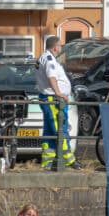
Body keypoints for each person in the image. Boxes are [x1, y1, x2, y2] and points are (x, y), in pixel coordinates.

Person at [36, 35, 79, 170]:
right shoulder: (49, 60)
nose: (61, 47)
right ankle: (69, 160)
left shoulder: (45, 57)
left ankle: (47, 161)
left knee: (49, 130)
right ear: (55, 47)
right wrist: (58, 93)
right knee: (60, 129)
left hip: (49, 97)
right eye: (60, 45)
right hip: (53, 99)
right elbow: (51, 77)